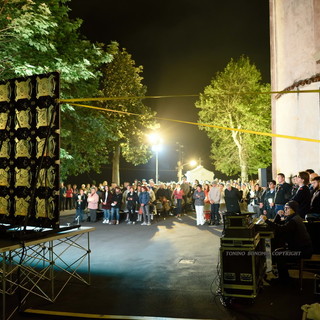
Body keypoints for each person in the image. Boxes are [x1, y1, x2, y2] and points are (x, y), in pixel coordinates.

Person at [260, 200, 313, 283]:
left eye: (287, 208)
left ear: (293, 209)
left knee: (278, 253)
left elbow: (281, 229)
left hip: (301, 251)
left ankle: (284, 279)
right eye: (284, 208)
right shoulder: (294, 217)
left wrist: (266, 220)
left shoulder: (293, 220)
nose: (285, 210)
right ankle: (284, 277)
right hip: (302, 249)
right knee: (278, 251)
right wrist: (278, 215)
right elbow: (280, 225)